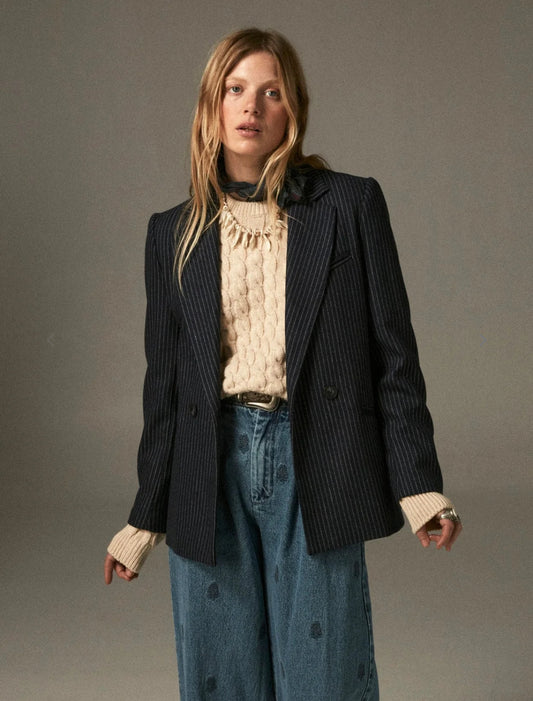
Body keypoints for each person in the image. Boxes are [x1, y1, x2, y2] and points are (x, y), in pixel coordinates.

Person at [104, 27, 462, 700]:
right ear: (211, 106)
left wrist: (418, 485)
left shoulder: (349, 205)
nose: (251, 106)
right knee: (222, 677)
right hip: (208, 466)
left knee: (324, 676)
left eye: (271, 92)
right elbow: (166, 390)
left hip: (317, 454)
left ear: (293, 108)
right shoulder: (171, 232)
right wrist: (144, 517)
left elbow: (393, 356)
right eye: (235, 89)